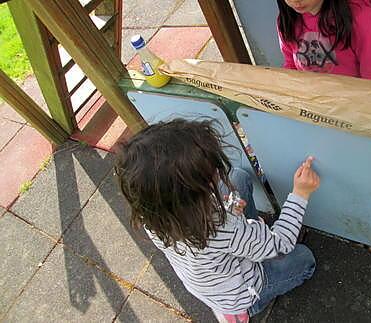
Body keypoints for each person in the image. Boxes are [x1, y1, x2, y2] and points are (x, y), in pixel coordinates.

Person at [115, 119, 320, 322]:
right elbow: (282, 244)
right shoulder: (221, 228)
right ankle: (244, 312)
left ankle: (249, 247)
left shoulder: (152, 214)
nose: (216, 170)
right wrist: (300, 193)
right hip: (243, 293)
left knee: (238, 177)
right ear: (193, 196)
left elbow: (221, 232)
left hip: (211, 280)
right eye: (210, 172)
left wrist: (230, 210)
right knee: (303, 258)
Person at [277, 0, 371, 80]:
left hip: (351, 105)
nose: (295, 0)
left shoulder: (360, 19)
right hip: (308, 104)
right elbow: (290, 67)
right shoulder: (286, 21)